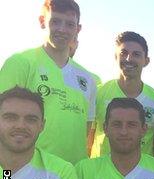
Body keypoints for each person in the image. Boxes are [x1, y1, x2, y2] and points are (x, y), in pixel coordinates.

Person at [0, 0, 98, 164]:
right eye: (55, 21)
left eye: (69, 24)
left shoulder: (87, 79)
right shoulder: (21, 63)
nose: (62, 29)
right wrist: (6, 172)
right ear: (42, 21)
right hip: (18, 171)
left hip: (71, 176)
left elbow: (86, 129)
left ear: (78, 29)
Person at [91, 31, 154, 158]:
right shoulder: (98, 93)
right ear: (116, 57)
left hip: (141, 174)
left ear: (146, 61)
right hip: (101, 173)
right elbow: (88, 137)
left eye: (136, 54)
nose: (129, 59)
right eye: (124, 53)